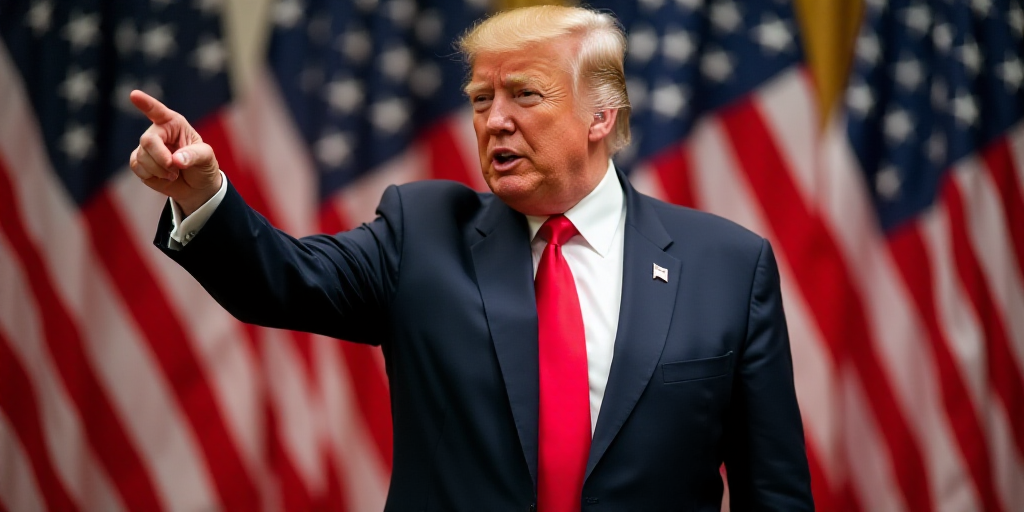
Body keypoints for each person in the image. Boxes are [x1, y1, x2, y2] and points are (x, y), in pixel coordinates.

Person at [128, 5, 813, 511]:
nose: (495, 121)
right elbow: (279, 281)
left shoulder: (727, 266)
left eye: (525, 94)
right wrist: (205, 194)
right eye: (482, 99)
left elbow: (773, 490)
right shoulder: (423, 231)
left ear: (600, 115)